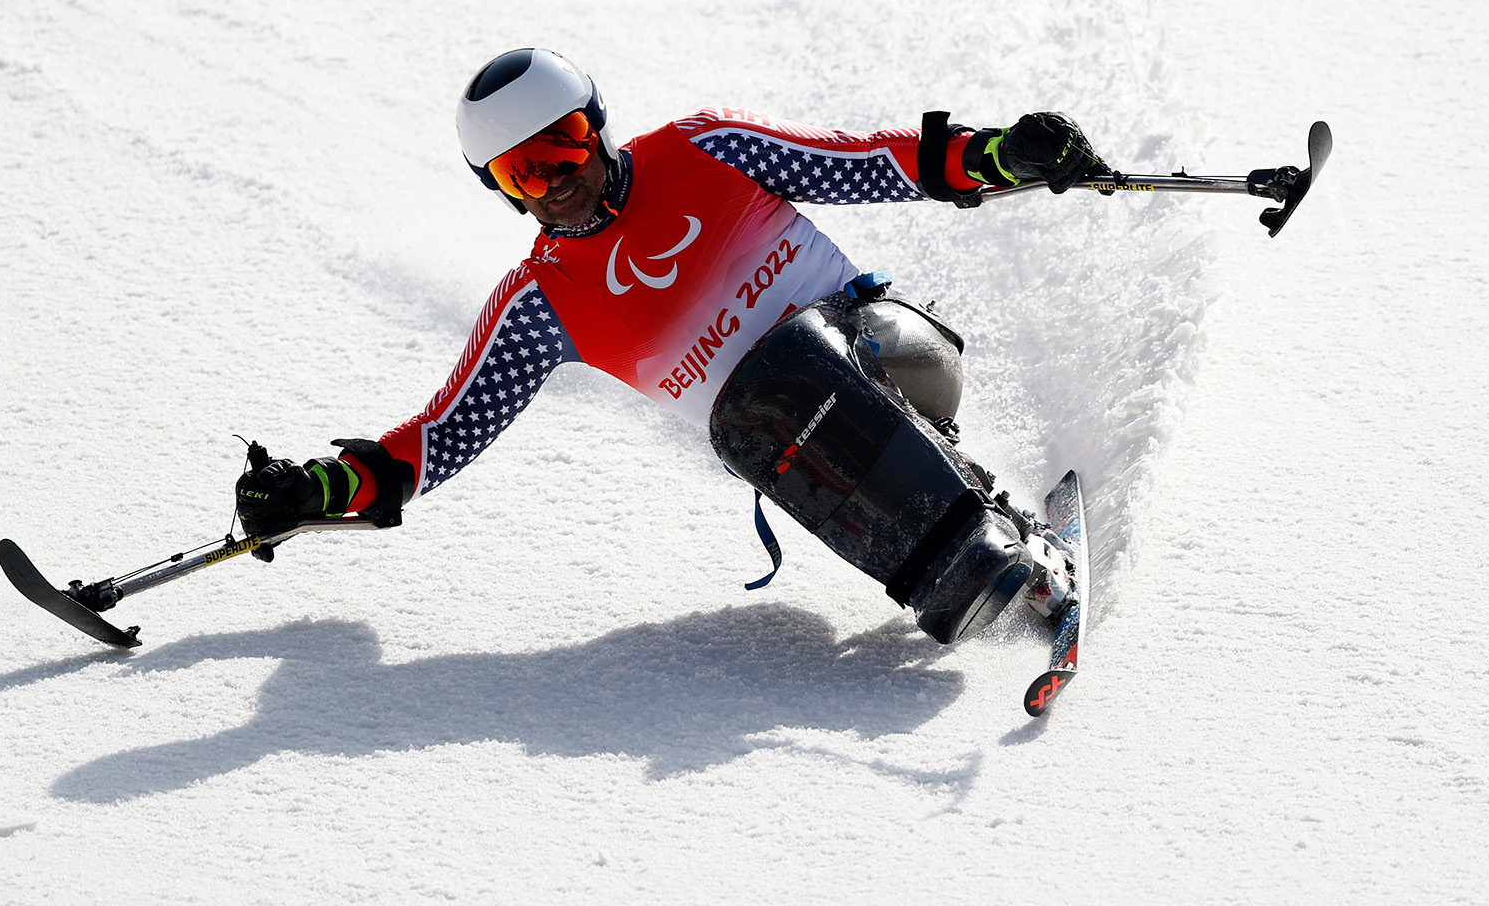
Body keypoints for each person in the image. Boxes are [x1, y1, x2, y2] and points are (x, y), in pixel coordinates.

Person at [236, 48, 1111, 640]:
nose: (558, 180)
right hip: (808, 451)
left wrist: (1000, 154)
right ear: (501, 191)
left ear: (598, 127)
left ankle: (1006, 551)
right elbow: (443, 434)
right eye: (523, 172)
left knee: (792, 369)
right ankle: (958, 583)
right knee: (751, 419)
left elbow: (870, 163)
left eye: (565, 145)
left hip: (895, 356)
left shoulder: (704, 150)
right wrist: (322, 488)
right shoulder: (542, 302)